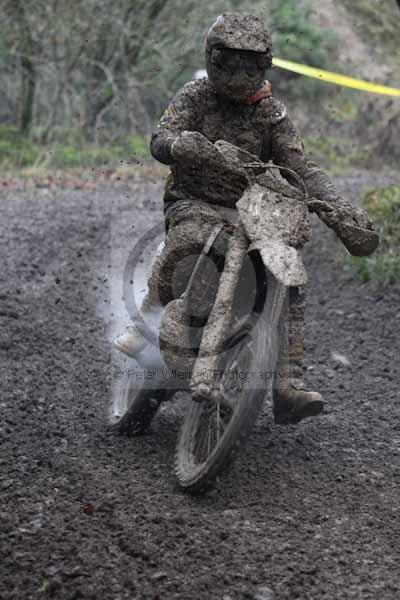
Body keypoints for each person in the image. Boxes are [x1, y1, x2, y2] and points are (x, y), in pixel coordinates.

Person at [114, 13, 373, 425]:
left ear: (264, 65)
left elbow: (301, 168)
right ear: (212, 58)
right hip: (194, 200)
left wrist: (340, 210)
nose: (239, 74)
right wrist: (180, 145)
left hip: (252, 210)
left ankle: (288, 383)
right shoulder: (196, 96)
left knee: (287, 278)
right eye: (229, 62)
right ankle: (148, 316)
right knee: (188, 241)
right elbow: (160, 138)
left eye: (249, 65)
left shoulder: (272, 114)